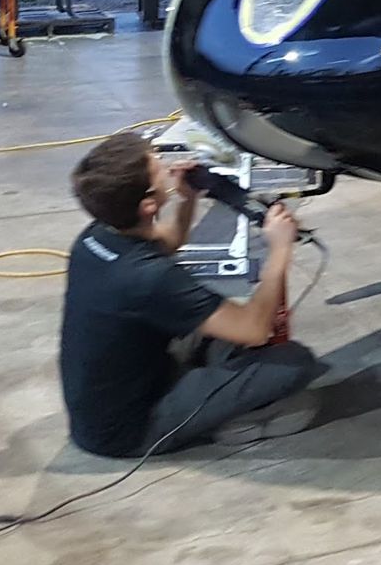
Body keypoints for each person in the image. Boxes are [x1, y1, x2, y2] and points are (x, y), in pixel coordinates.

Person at [58, 132, 323, 458]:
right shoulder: (148, 277)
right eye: (161, 170)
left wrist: (187, 198)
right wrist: (279, 249)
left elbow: (166, 243)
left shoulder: (98, 235)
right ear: (147, 205)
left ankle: (206, 389)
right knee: (292, 362)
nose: (171, 169)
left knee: (224, 329)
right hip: (131, 431)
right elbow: (255, 330)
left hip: (117, 395)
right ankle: (229, 420)